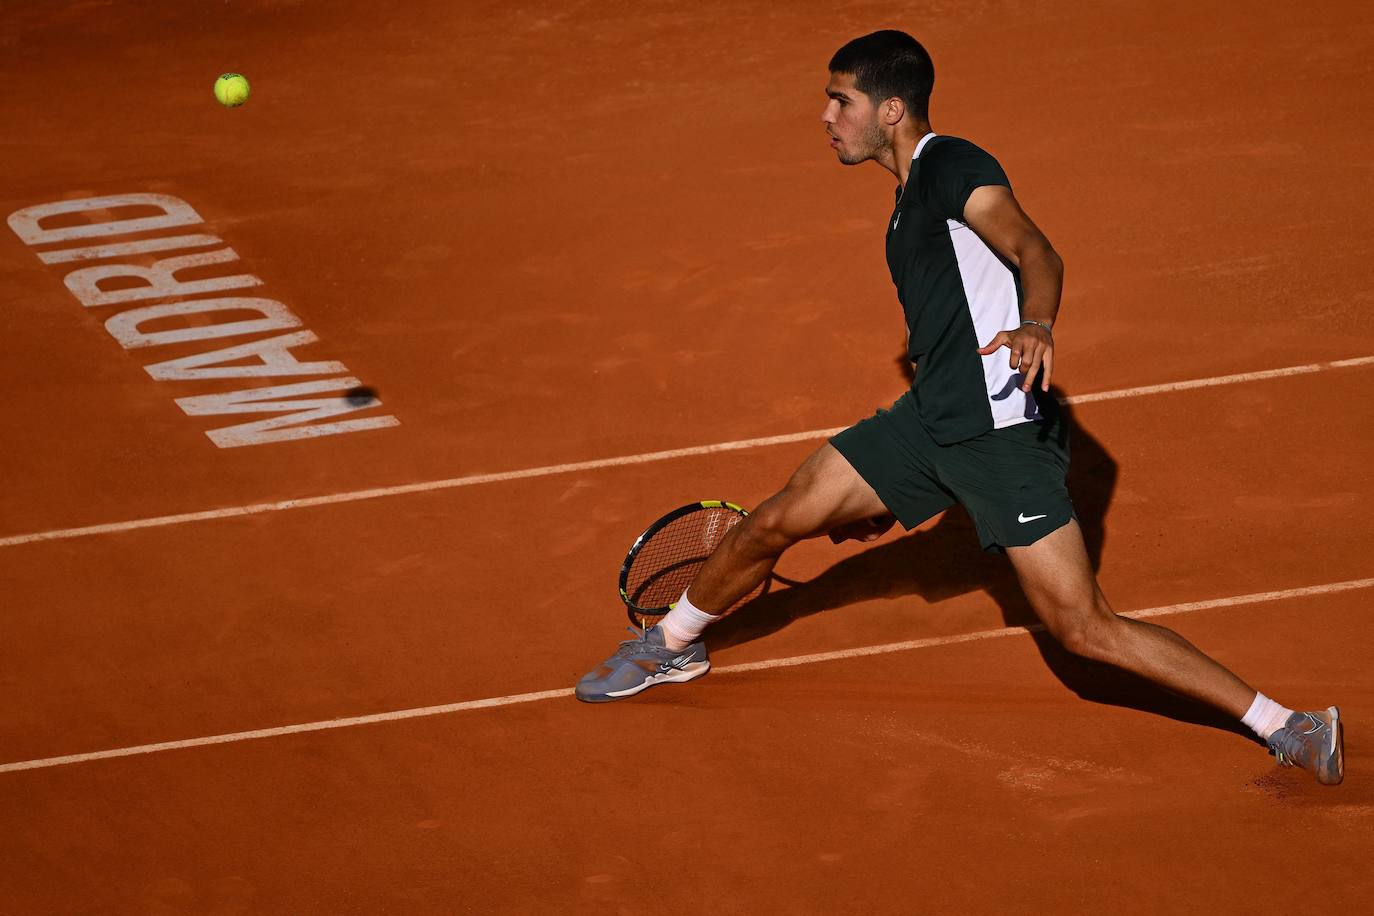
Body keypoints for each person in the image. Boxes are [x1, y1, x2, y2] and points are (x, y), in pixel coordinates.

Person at [574, 30, 1343, 785]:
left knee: (1083, 629)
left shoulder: (953, 166)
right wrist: (892, 485)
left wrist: (1037, 323)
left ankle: (1288, 724)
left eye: (840, 100)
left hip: (1002, 440)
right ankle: (672, 643)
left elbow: (1036, 249)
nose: (826, 116)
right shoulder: (904, 207)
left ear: (892, 110)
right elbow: (949, 333)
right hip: (928, 423)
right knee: (775, 518)